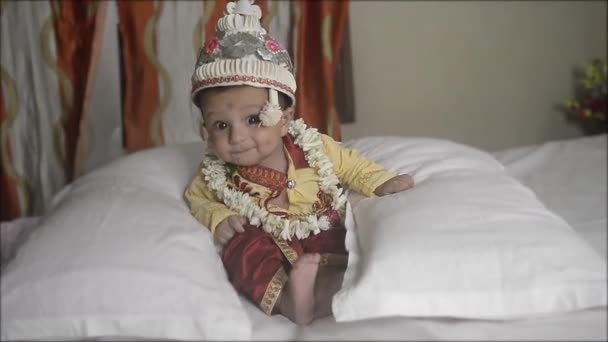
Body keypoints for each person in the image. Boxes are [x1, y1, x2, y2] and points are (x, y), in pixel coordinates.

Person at [184, 0, 414, 325]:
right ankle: (288, 299)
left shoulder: (311, 147)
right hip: (269, 243)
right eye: (221, 125)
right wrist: (220, 216)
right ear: (206, 129)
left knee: (347, 235)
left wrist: (380, 181)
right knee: (241, 248)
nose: (237, 137)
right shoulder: (216, 174)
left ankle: (331, 290)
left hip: (319, 227)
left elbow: (350, 165)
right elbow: (198, 198)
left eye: (252, 119)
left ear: (284, 119)